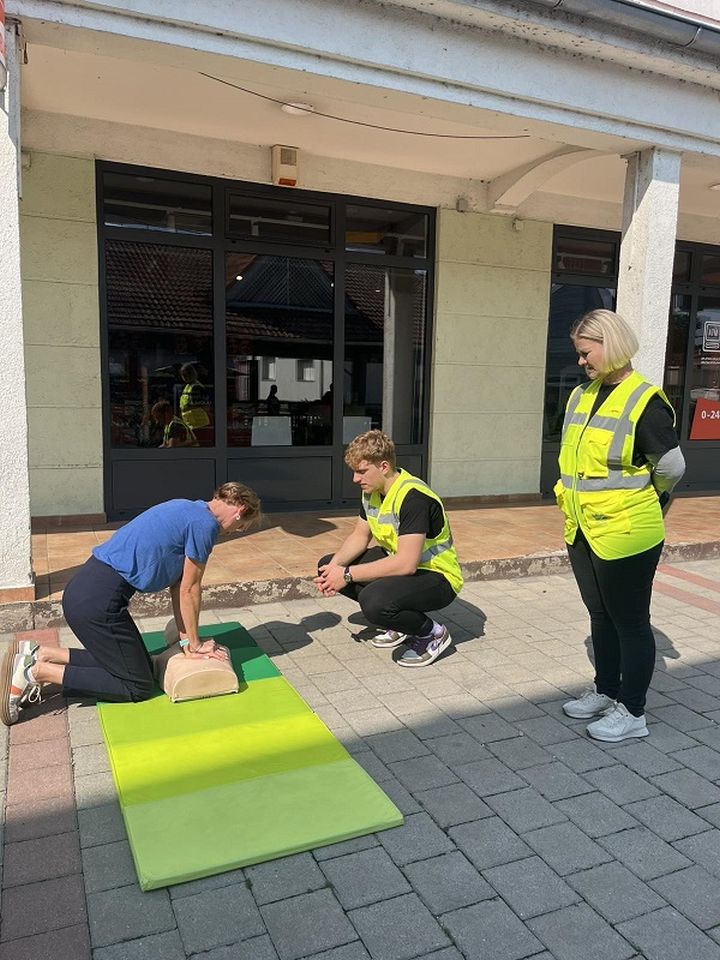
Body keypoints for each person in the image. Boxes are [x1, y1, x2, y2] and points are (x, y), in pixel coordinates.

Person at [1, 482, 261, 726]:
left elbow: (178, 588)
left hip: (88, 589)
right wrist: (195, 644)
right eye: (240, 528)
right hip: (97, 602)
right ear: (240, 511)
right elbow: (190, 589)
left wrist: (186, 642)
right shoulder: (205, 526)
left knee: (143, 666)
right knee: (136, 686)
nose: (233, 532)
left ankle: (41, 653)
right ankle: (36, 672)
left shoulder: (188, 508)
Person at [556, 309, 685, 742]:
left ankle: (633, 712)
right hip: (583, 526)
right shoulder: (582, 394)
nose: (581, 362)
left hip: (628, 530)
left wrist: (656, 498)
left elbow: (670, 466)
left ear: (609, 345)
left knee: (629, 621)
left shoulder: (643, 399)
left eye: (585, 352)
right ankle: (606, 689)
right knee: (599, 613)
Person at [314, 430, 463, 667]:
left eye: (361, 471)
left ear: (383, 466)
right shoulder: (372, 492)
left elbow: (406, 563)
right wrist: (334, 569)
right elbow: (360, 536)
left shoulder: (413, 497)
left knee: (375, 602)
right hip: (405, 565)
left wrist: (346, 574)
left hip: (438, 576)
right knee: (327, 564)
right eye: (354, 471)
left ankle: (431, 634)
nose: (355, 479)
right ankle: (399, 623)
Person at [179, 363, 211, 431]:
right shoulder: (187, 386)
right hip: (190, 423)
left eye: (187, 374)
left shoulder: (197, 387)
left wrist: (188, 407)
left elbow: (205, 406)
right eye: (183, 375)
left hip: (199, 424)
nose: (185, 377)